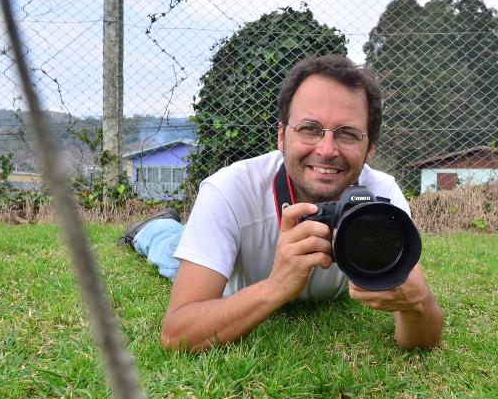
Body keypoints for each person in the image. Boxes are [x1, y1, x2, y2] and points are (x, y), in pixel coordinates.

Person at [119, 54, 443, 351]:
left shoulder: (382, 199)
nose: (327, 150)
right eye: (310, 129)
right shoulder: (228, 192)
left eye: (347, 134)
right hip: (232, 261)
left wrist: (418, 304)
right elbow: (176, 335)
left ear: (370, 148)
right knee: (169, 249)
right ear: (281, 136)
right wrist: (276, 286)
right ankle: (153, 226)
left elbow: (421, 334)